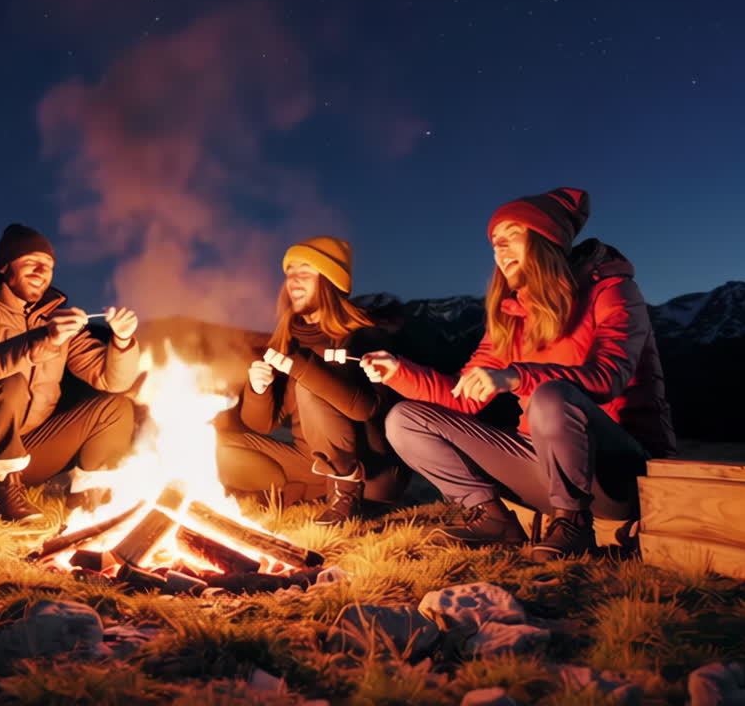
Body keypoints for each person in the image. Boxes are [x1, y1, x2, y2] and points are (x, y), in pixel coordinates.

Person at [362, 188, 675, 560]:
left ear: (546, 240)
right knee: (405, 420)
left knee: (551, 396)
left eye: (512, 236)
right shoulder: (511, 315)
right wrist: (399, 371)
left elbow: (609, 377)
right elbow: (462, 397)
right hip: (544, 467)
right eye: (495, 241)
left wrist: (516, 376)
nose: (499, 248)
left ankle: (574, 525)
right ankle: (492, 519)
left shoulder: (613, 290)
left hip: (620, 472)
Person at [0, 224, 141, 521]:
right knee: (8, 381)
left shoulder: (52, 321)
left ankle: (89, 508)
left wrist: (122, 340)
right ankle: (4, 493)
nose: (41, 270)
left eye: (48, 265)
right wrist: (45, 339)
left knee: (114, 408)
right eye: (30, 261)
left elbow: (112, 381)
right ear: (6, 266)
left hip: (23, 453)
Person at [217, 236, 406, 525]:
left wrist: (302, 368)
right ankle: (295, 491)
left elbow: (367, 409)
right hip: (311, 463)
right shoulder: (289, 341)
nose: (293, 280)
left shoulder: (365, 335)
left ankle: (343, 493)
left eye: (305, 272)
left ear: (330, 282)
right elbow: (262, 425)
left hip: (371, 470)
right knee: (216, 442)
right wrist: (258, 389)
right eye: (290, 272)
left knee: (309, 386)